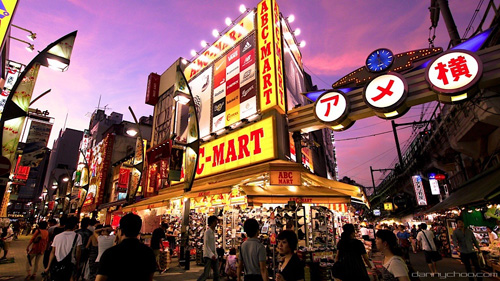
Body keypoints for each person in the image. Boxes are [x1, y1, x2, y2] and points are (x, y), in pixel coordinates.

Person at [96, 213, 156, 281]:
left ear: (121, 231)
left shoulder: (110, 253)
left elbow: (100, 279)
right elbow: (149, 278)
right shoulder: (148, 252)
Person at [45, 216, 82, 281]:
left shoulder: (57, 236)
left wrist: (48, 266)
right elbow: (78, 251)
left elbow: (53, 252)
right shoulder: (77, 236)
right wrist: (77, 264)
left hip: (57, 263)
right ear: (75, 226)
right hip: (70, 264)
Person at [198, 215, 220, 281]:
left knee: (216, 273)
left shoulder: (213, 232)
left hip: (214, 255)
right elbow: (206, 245)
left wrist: (215, 254)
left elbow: (213, 245)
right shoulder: (207, 232)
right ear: (212, 222)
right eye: (215, 221)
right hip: (208, 256)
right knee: (206, 274)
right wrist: (211, 255)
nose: (216, 223)